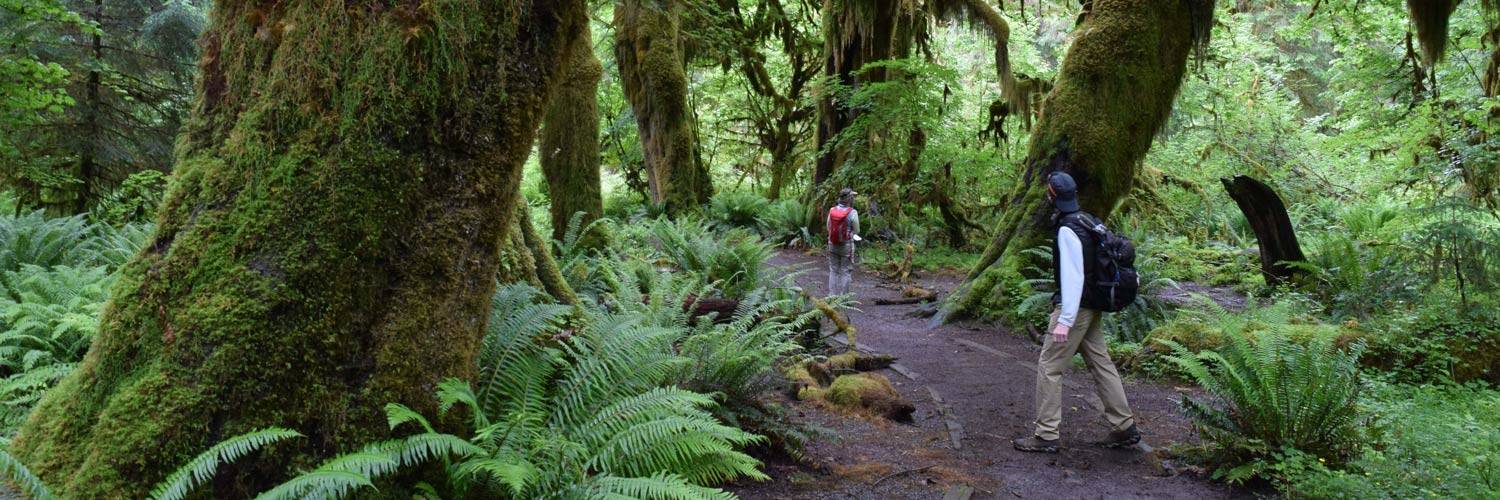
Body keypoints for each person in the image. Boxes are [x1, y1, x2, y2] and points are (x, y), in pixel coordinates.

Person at [1013, 171, 1140, 453]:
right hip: (1092, 306)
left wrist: (1065, 320)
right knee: (1101, 362)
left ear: (1052, 195)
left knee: (1049, 367)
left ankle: (1046, 434)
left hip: (1075, 308)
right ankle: (1123, 426)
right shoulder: (1089, 220)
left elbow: (1074, 276)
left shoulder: (1068, 229)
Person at [826, 188, 861, 296]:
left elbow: (828, 227)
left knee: (833, 270)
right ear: (849, 199)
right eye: (852, 196)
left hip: (832, 244)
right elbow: (857, 230)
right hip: (846, 246)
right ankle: (844, 298)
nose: (853, 198)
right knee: (846, 271)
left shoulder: (832, 210)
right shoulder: (853, 212)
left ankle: (832, 296)